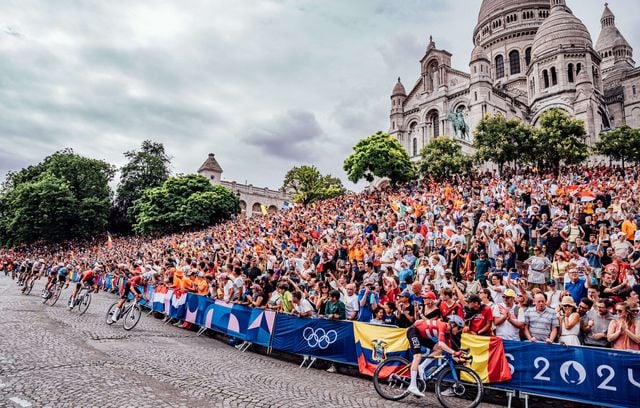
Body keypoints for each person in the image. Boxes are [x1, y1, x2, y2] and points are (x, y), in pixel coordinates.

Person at [405, 315, 465, 397]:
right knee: (418, 356)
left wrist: (459, 360)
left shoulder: (448, 334)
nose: (459, 331)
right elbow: (441, 343)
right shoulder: (443, 325)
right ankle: (412, 386)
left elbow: (448, 351)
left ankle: (422, 367)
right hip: (413, 331)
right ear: (453, 325)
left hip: (422, 336)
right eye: (459, 328)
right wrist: (455, 352)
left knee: (439, 349)